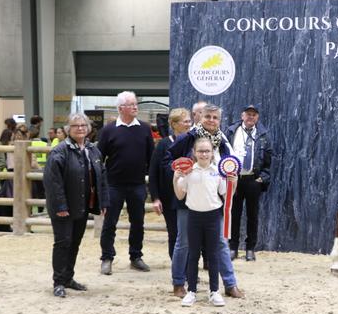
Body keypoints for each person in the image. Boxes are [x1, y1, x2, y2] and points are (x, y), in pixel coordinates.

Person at [166, 103, 244, 299]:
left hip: (215, 200)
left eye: (215, 117)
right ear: (200, 117)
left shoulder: (223, 141)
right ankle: (178, 283)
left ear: (219, 120)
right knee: (183, 243)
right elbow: (168, 158)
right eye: (207, 116)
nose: (211, 120)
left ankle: (229, 284)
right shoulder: (187, 138)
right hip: (189, 200)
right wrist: (179, 171)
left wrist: (231, 180)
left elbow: (231, 166)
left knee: (220, 242)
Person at [43, 113, 109, 297]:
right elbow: (53, 183)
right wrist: (61, 206)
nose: (80, 128)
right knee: (63, 242)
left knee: (75, 243)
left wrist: (103, 201)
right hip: (64, 207)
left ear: (88, 128)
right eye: (75, 125)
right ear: (67, 129)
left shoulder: (92, 150)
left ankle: (68, 278)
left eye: (83, 125)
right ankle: (58, 282)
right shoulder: (60, 151)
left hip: (81, 205)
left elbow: (102, 177)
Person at [174, 137, 237, 307]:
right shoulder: (189, 172)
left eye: (207, 151)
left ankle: (214, 291)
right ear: (194, 153)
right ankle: (192, 291)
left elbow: (226, 194)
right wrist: (175, 178)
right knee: (193, 255)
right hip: (193, 217)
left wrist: (234, 180)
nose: (204, 154)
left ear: (212, 153)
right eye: (200, 151)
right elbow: (180, 195)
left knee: (213, 254)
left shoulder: (218, 171)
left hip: (213, 217)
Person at [98, 91, 154, 275]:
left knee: (138, 222)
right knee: (109, 223)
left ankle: (136, 256)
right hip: (113, 185)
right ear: (121, 108)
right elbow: (99, 157)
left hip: (137, 184)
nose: (135, 107)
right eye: (131, 104)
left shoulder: (145, 129)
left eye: (136, 103)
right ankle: (107, 258)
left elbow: (151, 158)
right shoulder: (108, 130)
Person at [225, 105, 273, 261]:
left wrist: (263, 178)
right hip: (234, 179)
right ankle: (233, 247)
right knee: (234, 214)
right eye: (248, 114)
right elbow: (224, 154)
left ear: (257, 118)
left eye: (254, 115)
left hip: (253, 180)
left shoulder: (264, 135)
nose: (251, 117)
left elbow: (269, 159)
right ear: (242, 115)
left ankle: (250, 248)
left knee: (253, 215)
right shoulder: (231, 132)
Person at [148, 108, 191, 259]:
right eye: (185, 121)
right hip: (169, 198)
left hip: (190, 198)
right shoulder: (163, 144)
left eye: (189, 121)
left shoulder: (194, 143)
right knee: (174, 233)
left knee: (190, 235)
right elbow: (153, 173)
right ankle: (177, 268)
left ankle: (189, 268)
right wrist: (155, 198)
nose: (188, 124)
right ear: (174, 124)